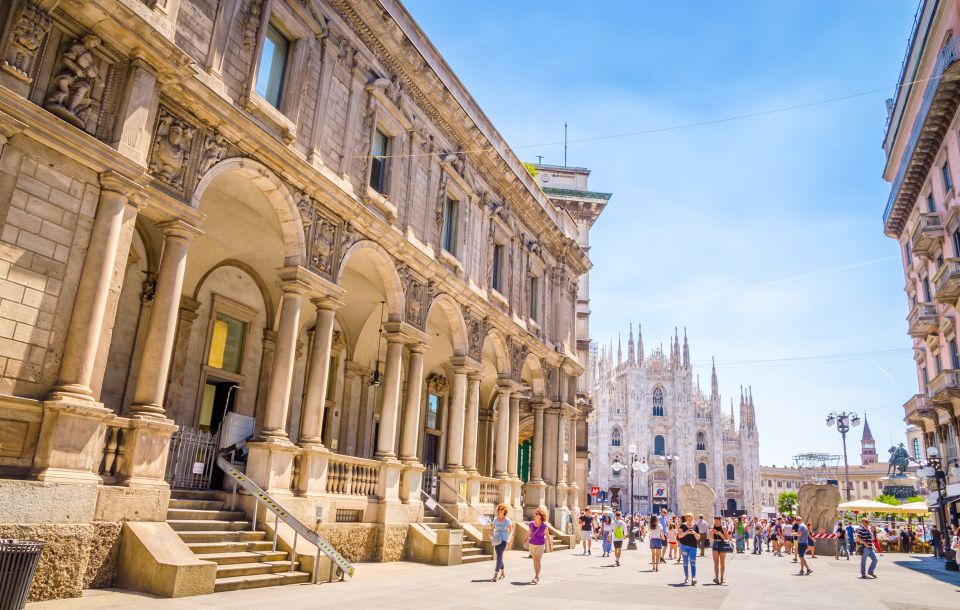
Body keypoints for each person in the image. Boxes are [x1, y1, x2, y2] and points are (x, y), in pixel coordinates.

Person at [525, 507, 553, 584]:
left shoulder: (544, 526)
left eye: (537, 514)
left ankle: (537, 576)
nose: (535, 515)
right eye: (535, 514)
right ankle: (536, 575)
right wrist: (525, 540)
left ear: (541, 516)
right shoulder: (531, 524)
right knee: (534, 560)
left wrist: (550, 544)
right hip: (532, 544)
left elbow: (547, 535)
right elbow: (528, 533)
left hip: (540, 544)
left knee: (537, 559)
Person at [488, 503, 514, 581]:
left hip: (504, 540)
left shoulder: (507, 520)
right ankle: (503, 571)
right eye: (499, 510)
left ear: (504, 511)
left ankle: (496, 573)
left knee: (499, 555)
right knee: (499, 555)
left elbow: (511, 531)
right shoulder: (495, 519)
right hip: (496, 540)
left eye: (502, 510)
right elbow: (492, 529)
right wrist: (490, 535)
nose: (500, 511)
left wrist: (509, 539)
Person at [678, 513, 700, 585]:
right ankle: (686, 577)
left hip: (693, 546)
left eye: (690, 518)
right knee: (685, 562)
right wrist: (686, 532)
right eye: (688, 518)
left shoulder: (695, 526)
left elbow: (698, 537)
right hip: (684, 546)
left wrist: (694, 533)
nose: (689, 520)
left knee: (693, 562)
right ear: (686, 519)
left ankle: (693, 578)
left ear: (693, 518)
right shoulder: (683, 526)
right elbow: (679, 536)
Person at [710, 515, 730, 585]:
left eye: (717, 521)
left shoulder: (723, 528)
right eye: (715, 520)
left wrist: (720, 533)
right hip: (715, 543)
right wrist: (712, 533)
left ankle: (722, 577)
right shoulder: (713, 527)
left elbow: (726, 538)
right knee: (716, 562)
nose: (716, 522)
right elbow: (710, 537)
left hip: (722, 543)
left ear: (720, 520)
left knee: (722, 562)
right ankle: (716, 577)